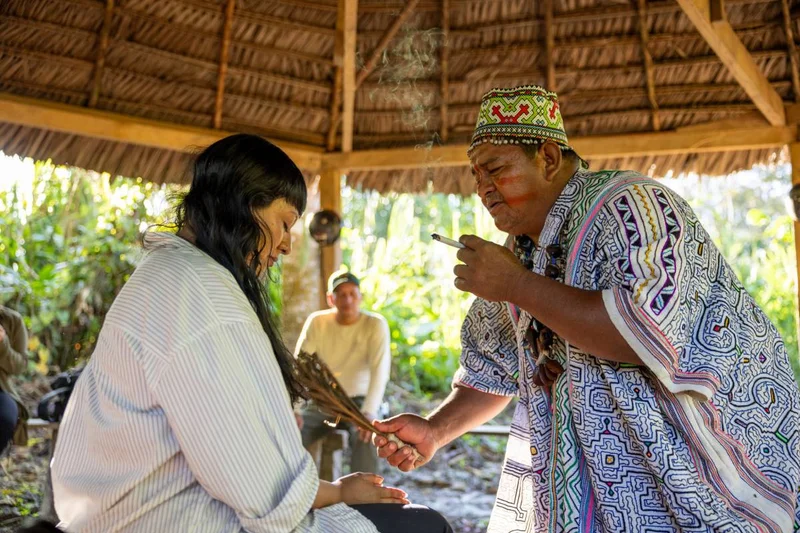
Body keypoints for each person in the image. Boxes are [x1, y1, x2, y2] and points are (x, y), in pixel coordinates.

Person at [373, 85, 800, 532]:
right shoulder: (520, 248)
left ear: (549, 158)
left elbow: (643, 331)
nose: (482, 188)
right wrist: (435, 431)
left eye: (495, 169)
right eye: (476, 174)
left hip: (693, 482)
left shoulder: (634, 206)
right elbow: (493, 368)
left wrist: (516, 284)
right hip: (587, 492)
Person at [50, 134, 453, 533]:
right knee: (427, 526)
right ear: (243, 205)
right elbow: (261, 491)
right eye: (282, 224)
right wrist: (338, 491)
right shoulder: (203, 297)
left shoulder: (169, 273)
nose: (286, 246)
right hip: (170, 520)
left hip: (114, 514)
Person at [296, 271, 391, 475]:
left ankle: (366, 497)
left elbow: (379, 371)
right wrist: (294, 409)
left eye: (352, 294)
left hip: (359, 403)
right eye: (341, 294)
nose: (347, 300)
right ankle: (295, 492)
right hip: (323, 402)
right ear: (331, 299)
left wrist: (369, 411)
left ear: (360, 297)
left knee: (367, 436)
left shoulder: (375, 324)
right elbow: (299, 367)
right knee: (292, 433)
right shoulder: (317, 322)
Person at [0, 305, 29, 453]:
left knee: (5, 419)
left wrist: (3, 343)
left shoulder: (13, 320)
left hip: (2, 390)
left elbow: (20, 367)